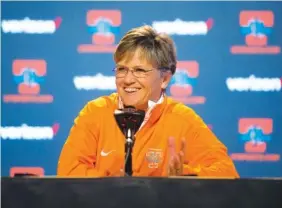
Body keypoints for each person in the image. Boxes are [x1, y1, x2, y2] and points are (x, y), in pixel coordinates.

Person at [57, 25, 239, 178]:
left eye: (139, 70)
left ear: (165, 78)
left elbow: (227, 173)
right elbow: (68, 172)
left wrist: (182, 178)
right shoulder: (95, 112)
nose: (127, 79)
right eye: (122, 69)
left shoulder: (183, 120)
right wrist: (114, 185)